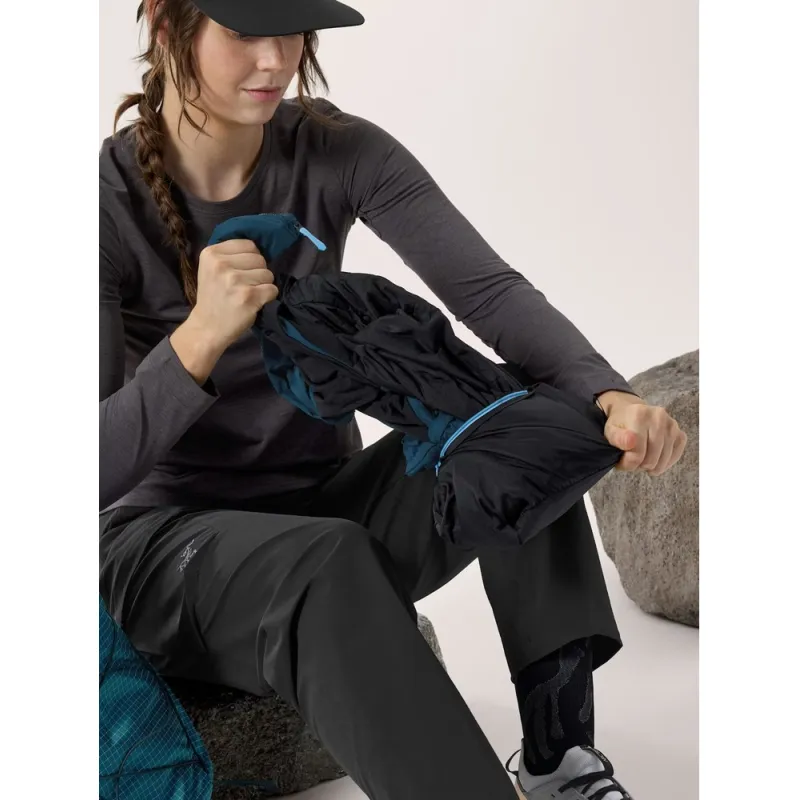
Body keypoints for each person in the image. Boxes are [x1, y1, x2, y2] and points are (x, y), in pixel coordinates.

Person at [99, 2, 687, 799]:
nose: (275, 59)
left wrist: (609, 394)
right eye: (243, 31)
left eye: (291, 28)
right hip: (161, 551)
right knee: (324, 559)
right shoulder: (98, 203)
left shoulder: (339, 150)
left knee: (523, 423)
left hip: (325, 508)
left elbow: (489, 292)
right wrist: (197, 341)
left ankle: (560, 762)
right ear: (168, 26)